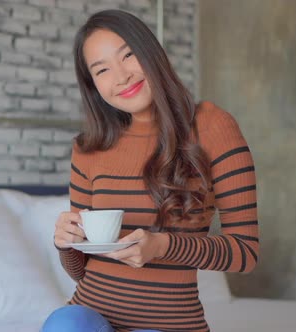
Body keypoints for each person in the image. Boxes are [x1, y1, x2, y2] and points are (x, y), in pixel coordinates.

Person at [41, 9, 259, 332]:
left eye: (128, 55)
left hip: (170, 325)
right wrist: (66, 243)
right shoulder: (88, 147)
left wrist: (163, 246)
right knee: (64, 325)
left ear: (150, 52)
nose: (122, 76)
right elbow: (81, 269)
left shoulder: (212, 126)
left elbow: (245, 252)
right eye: (102, 70)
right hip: (90, 317)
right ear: (94, 85)